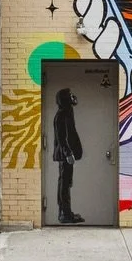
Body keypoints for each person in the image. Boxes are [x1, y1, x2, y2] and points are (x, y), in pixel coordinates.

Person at [52, 88, 84, 224]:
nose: (73, 97)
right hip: (66, 155)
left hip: (67, 155)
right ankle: (65, 214)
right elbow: (61, 137)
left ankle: (66, 212)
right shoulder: (62, 114)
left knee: (66, 183)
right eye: (70, 95)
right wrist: (68, 153)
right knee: (64, 184)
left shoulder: (67, 112)